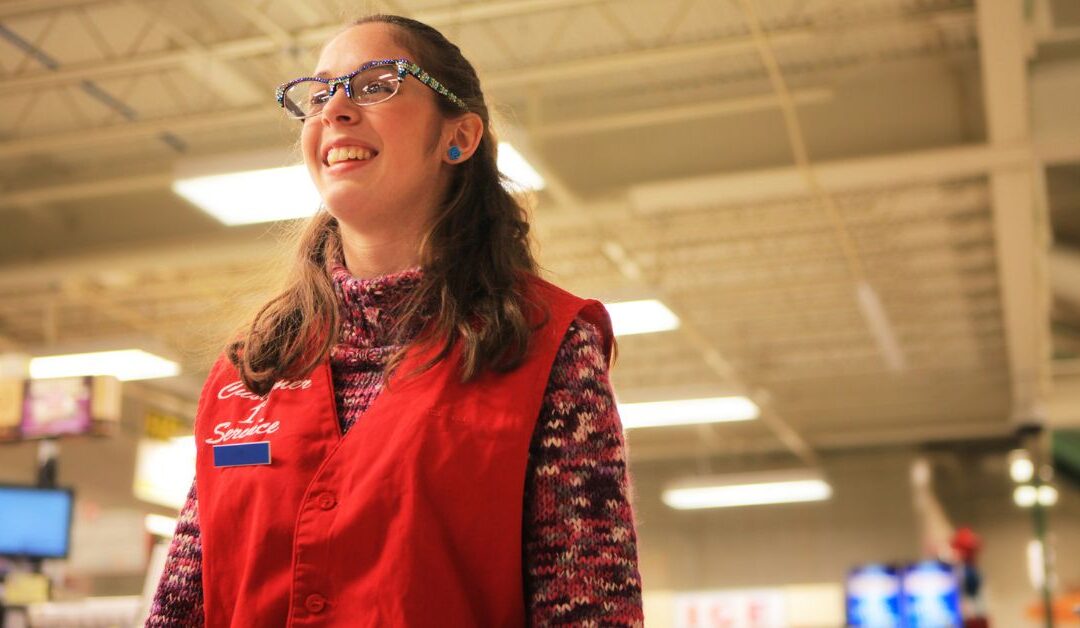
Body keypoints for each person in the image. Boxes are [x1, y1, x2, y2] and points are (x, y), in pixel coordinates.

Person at [146, 13, 643, 627]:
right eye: (321, 92)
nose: (336, 109)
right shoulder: (250, 371)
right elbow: (181, 608)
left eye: (377, 84)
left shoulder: (544, 345)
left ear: (457, 138)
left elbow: (588, 609)